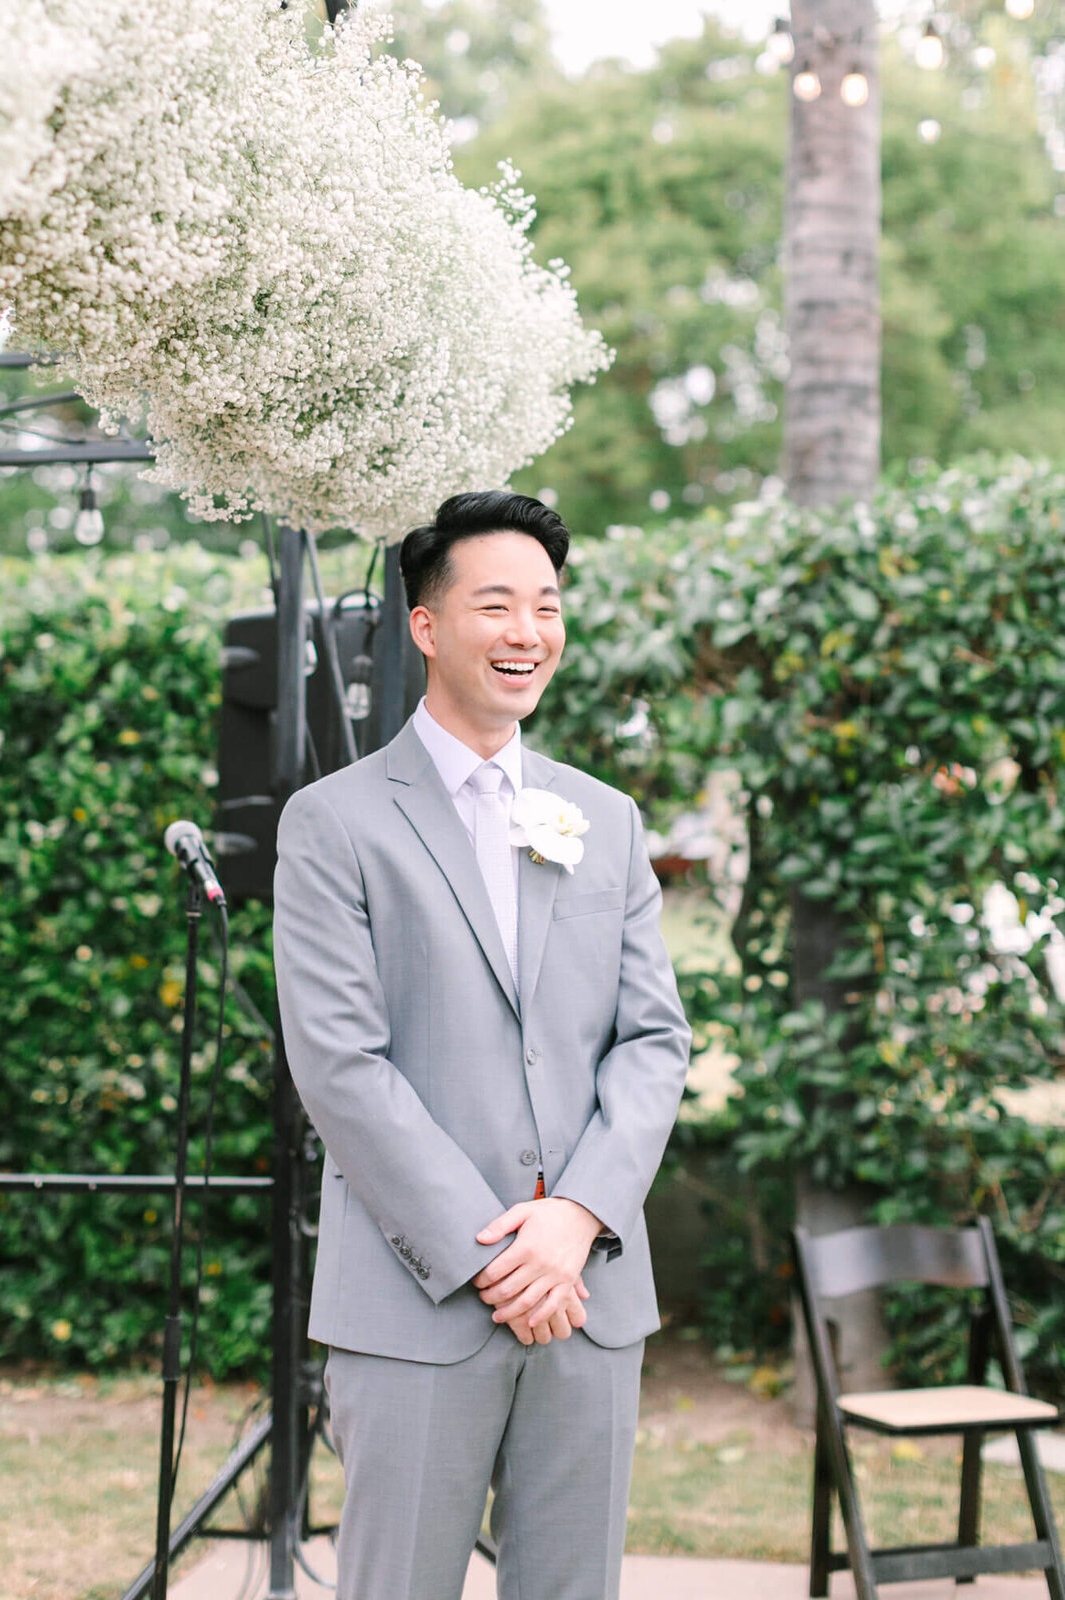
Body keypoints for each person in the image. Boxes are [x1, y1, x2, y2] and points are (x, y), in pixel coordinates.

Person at [273, 490, 691, 1600]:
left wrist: (577, 1217)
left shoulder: (606, 817)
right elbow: (340, 1065)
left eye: (546, 606)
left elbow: (654, 1039)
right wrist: (500, 1255)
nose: (527, 632)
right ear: (424, 624)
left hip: (589, 1297)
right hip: (420, 1300)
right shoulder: (335, 822)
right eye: (496, 603)